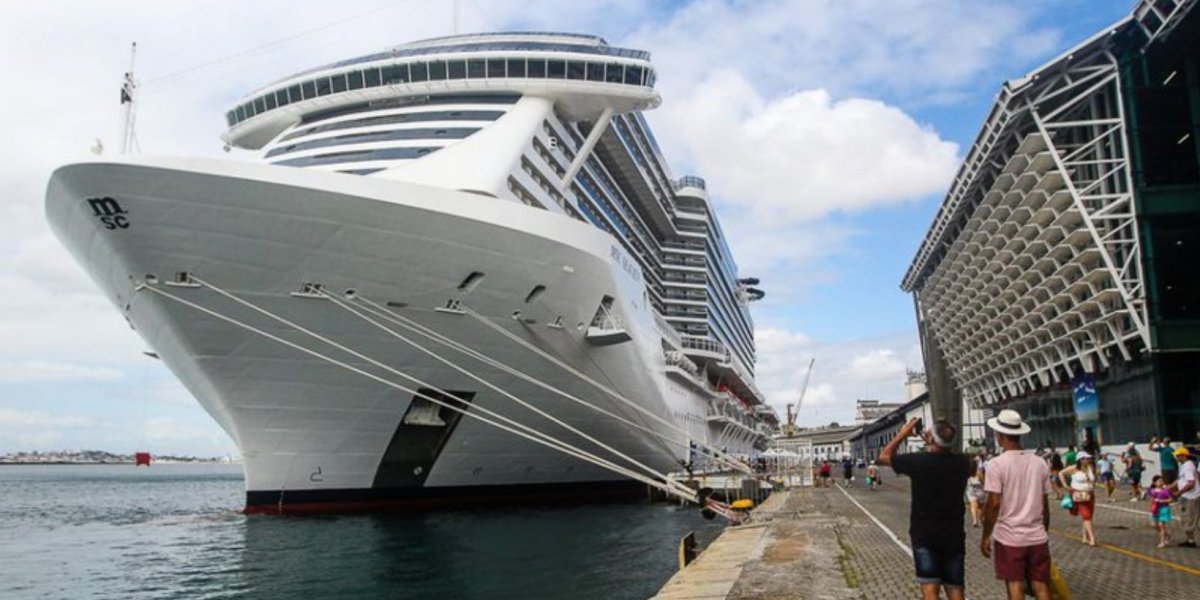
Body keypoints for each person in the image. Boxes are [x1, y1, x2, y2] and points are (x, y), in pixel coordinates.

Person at [878, 418, 970, 600]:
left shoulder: (918, 462)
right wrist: (933, 440)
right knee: (955, 587)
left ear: (932, 439)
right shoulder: (963, 463)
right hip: (953, 534)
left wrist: (904, 433)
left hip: (924, 535)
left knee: (929, 588)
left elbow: (883, 457)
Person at [980, 409, 1053, 600]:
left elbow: (994, 503)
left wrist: (986, 535)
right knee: (1041, 584)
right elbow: (1045, 504)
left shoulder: (997, 464)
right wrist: (1043, 530)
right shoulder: (1040, 463)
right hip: (1037, 536)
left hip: (1010, 537)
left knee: (1015, 585)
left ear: (1000, 435)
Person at [1059, 451, 1098, 546]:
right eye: (1085, 458)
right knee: (1086, 515)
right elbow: (1061, 473)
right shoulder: (1074, 468)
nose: (1088, 460)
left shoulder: (1090, 467)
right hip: (1078, 495)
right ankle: (1092, 538)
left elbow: (1094, 478)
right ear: (1080, 460)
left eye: (1088, 458)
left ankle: (1085, 537)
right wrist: (1065, 485)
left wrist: (1092, 484)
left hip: (1089, 494)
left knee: (1089, 516)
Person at [1172, 447, 1198, 548]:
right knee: (1187, 518)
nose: (1176, 458)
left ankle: (1191, 541)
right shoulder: (1184, 465)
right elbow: (1180, 480)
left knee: (1189, 518)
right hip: (1186, 496)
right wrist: (1169, 487)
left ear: (1183, 456)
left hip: (1190, 497)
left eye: (1178, 456)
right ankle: (1189, 539)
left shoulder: (1188, 466)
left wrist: (1179, 492)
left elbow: (1191, 483)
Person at [1148, 475, 1174, 548]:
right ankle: (1167, 535)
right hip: (1155, 509)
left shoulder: (1165, 491)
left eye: (1162, 481)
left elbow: (1171, 499)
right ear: (1154, 483)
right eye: (1159, 481)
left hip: (1164, 509)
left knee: (1161, 525)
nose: (1161, 482)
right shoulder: (1152, 490)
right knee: (1155, 525)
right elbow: (1151, 499)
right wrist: (1152, 506)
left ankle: (1162, 542)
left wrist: (1162, 501)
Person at [968, 460, 987, 528]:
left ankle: (975, 520)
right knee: (980, 507)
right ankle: (979, 519)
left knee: (973, 506)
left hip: (972, 491)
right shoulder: (978, 473)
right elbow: (983, 482)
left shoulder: (968, 473)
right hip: (980, 491)